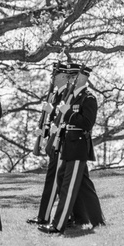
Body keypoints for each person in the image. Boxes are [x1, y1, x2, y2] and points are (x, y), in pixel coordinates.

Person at [39, 64, 105, 234]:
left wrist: (68, 113)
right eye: (67, 77)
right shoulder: (72, 97)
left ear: (82, 78)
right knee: (75, 183)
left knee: (67, 185)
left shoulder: (88, 98)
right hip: (68, 144)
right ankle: (94, 220)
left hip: (78, 146)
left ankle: (58, 224)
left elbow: (87, 123)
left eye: (72, 77)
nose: (69, 80)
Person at [29, 62, 72, 225]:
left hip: (61, 141)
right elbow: (52, 122)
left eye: (54, 75)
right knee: (56, 180)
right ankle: (60, 215)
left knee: (54, 180)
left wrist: (51, 111)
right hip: (53, 140)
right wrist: (43, 132)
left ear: (62, 76)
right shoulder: (56, 95)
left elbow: (62, 117)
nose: (52, 78)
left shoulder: (67, 93)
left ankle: (45, 216)